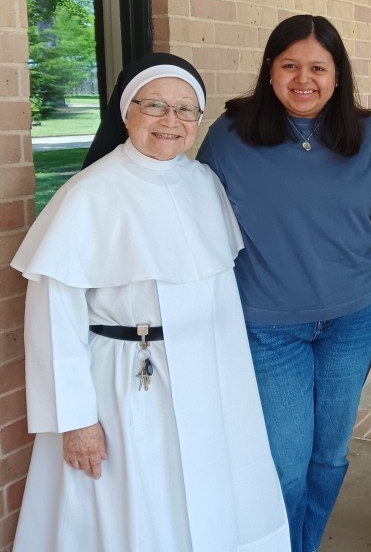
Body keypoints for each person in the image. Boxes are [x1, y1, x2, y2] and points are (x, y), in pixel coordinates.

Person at [12, 53, 289, 551]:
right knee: (140, 512)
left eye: (186, 109)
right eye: (155, 105)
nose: (171, 120)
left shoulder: (204, 183)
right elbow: (54, 316)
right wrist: (76, 420)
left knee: (211, 502)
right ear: (127, 112)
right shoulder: (88, 194)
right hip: (126, 385)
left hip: (208, 379)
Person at [197, 16, 371, 552]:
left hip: (353, 318)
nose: (304, 79)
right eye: (290, 66)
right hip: (269, 326)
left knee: (330, 456)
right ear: (270, 70)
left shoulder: (364, 135)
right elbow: (196, 218)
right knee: (284, 463)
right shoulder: (229, 136)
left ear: (337, 74)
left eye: (318, 68)